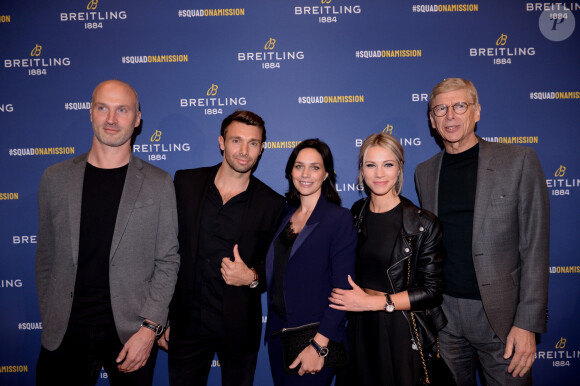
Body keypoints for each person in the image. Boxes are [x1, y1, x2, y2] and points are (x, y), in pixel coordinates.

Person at [35, 79, 180, 386]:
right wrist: (51, 318)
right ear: (91, 113)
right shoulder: (55, 179)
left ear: (137, 118)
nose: (111, 119)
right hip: (64, 334)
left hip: (131, 334)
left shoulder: (158, 182)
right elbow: (45, 257)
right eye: (103, 108)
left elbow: (167, 261)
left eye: (122, 110)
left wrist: (149, 329)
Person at [414, 78, 550, 385]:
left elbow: (536, 248)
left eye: (460, 106)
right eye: (441, 109)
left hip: (502, 318)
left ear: (476, 112)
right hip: (444, 316)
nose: (450, 115)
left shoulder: (519, 160)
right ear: (432, 121)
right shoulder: (424, 172)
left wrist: (527, 323)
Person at [165, 110, 285, 386]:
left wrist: (252, 278)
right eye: (236, 141)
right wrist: (160, 318)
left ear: (262, 148)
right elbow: (164, 252)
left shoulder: (272, 204)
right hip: (186, 327)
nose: (244, 151)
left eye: (253, 143)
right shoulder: (186, 183)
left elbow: (278, 269)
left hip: (239, 330)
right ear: (221, 142)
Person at [328, 133, 446, 385]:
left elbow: (432, 292)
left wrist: (375, 303)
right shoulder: (355, 214)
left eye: (388, 164)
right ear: (361, 169)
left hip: (399, 331)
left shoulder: (422, 223)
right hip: (360, 328)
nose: (379, 174)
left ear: (400, 167)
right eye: (371, 165)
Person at [265, 139, 357, 386]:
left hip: (314, 339)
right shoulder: (285, 215)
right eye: (299, 166)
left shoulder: (338, 219)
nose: (305, 174)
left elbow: (343, 291)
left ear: (326, 173)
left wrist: (319, 345)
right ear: (290, 171)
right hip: (278, 335)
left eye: (314, 167)